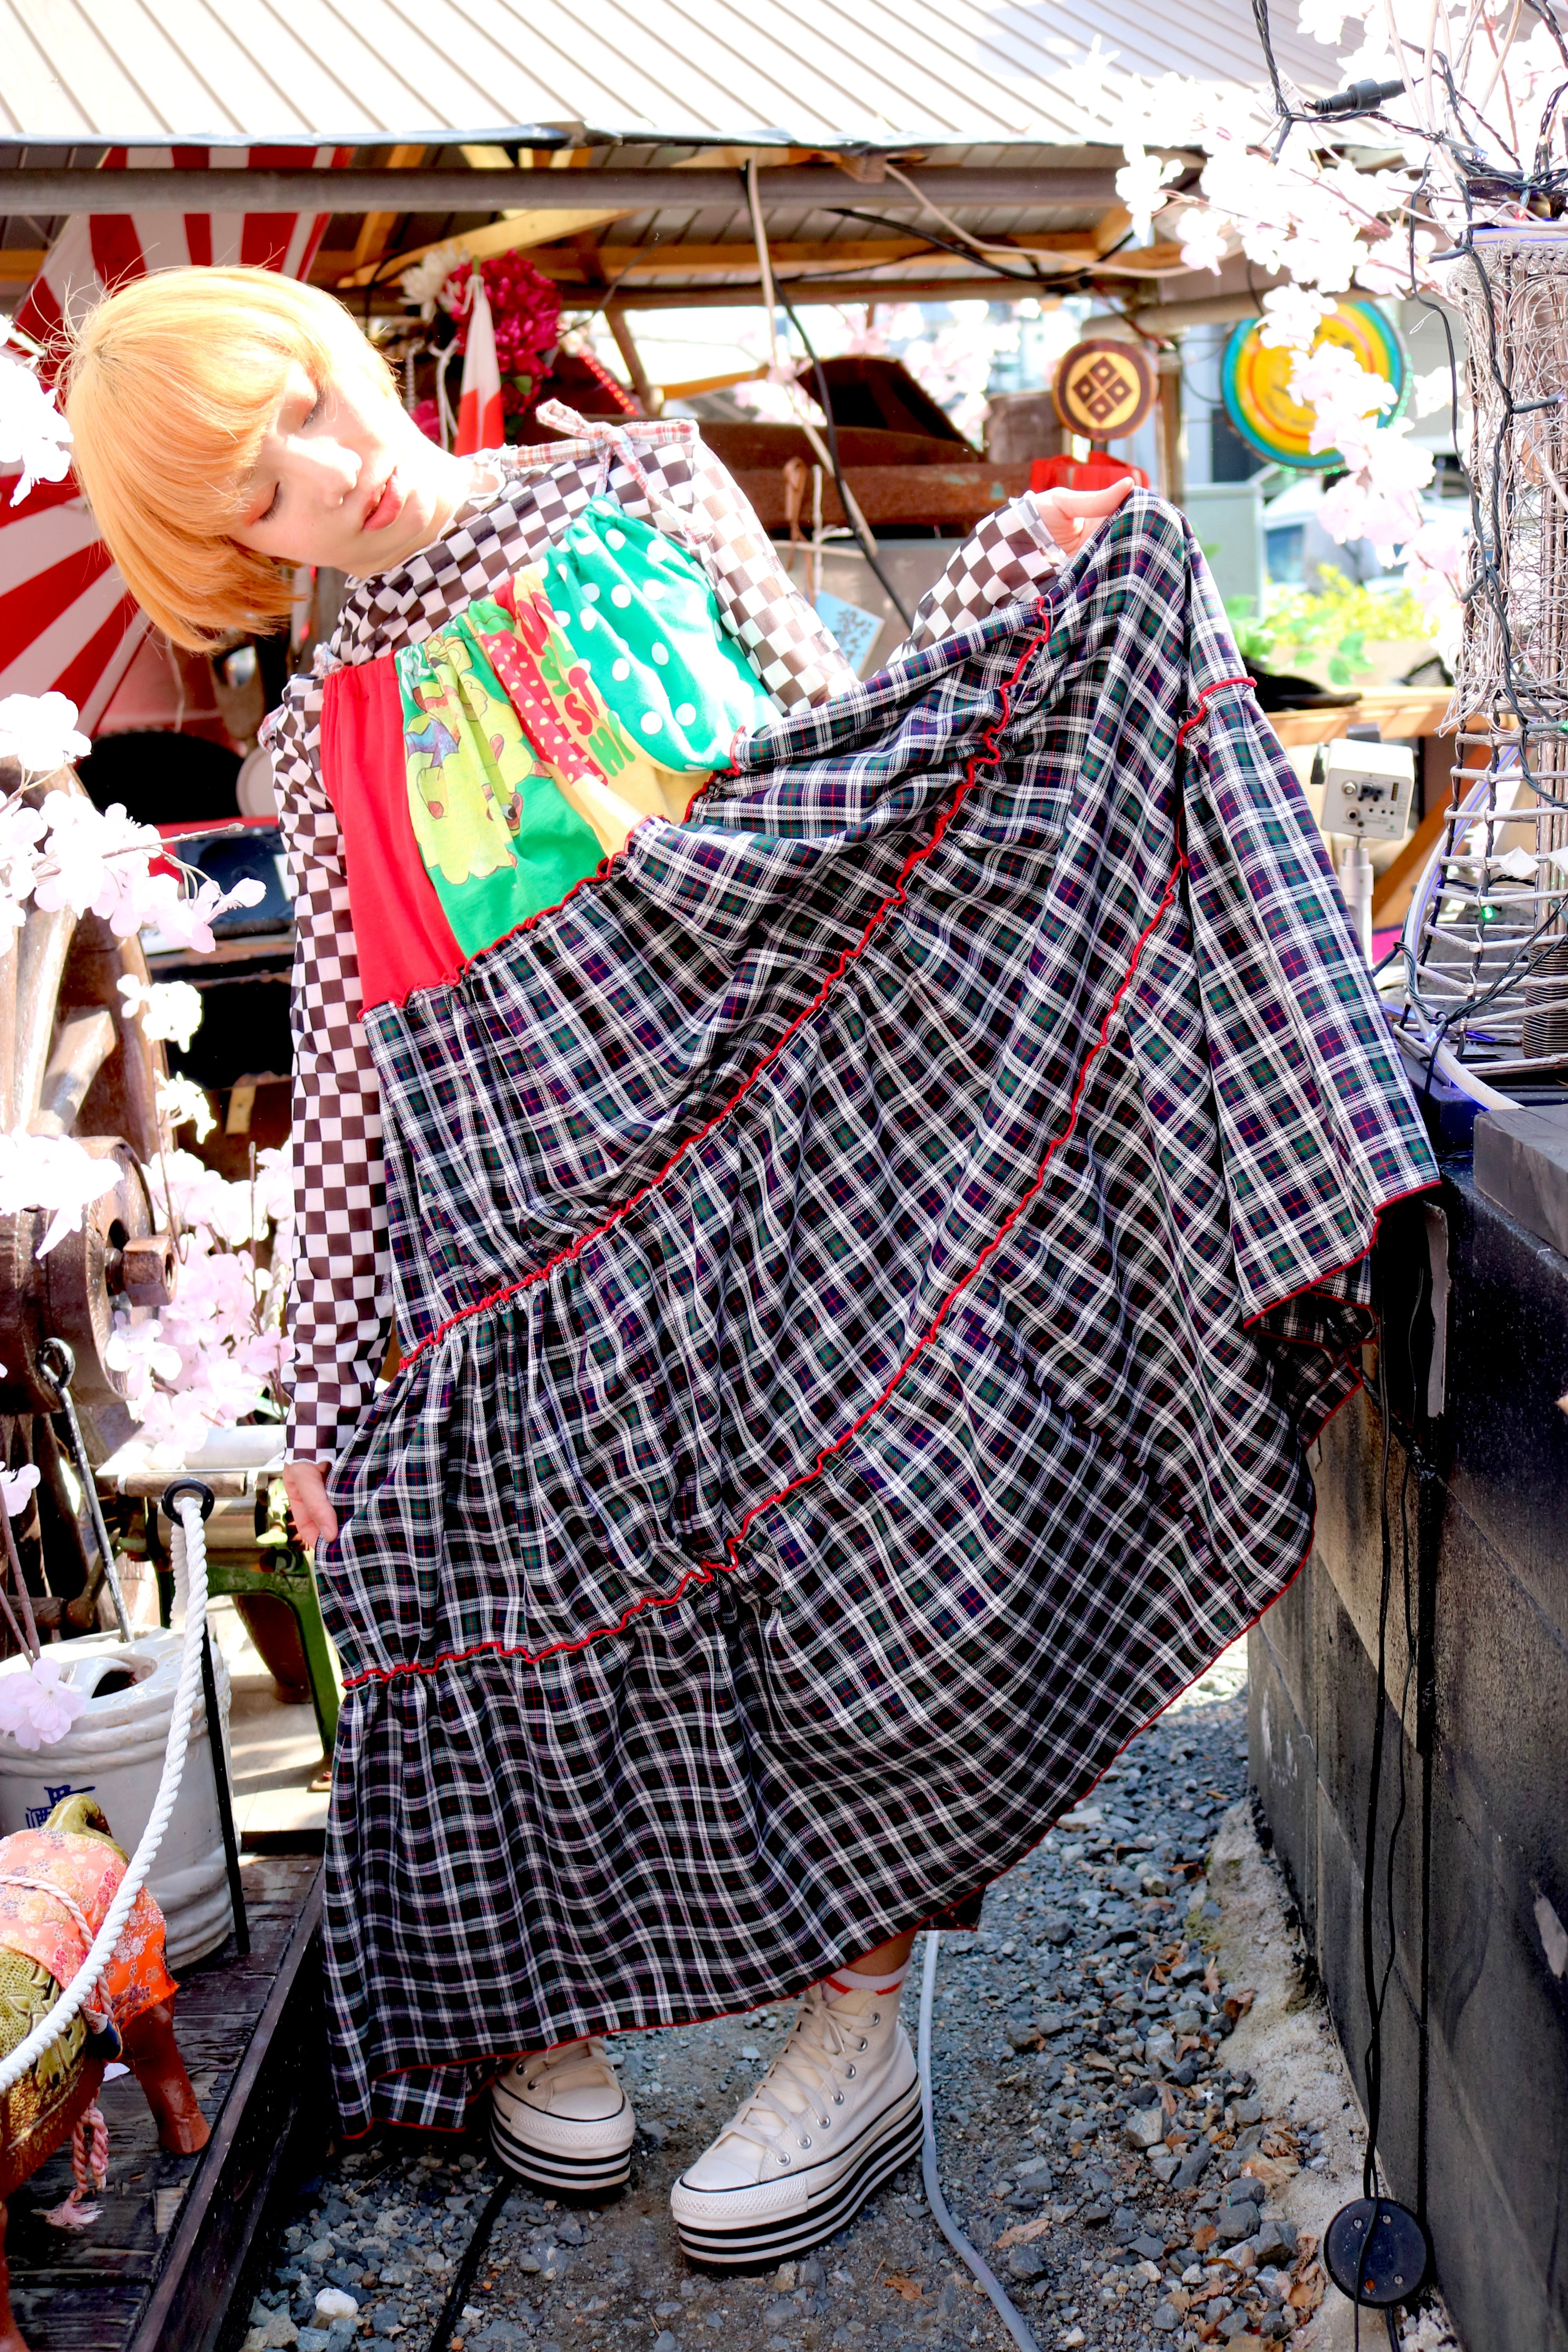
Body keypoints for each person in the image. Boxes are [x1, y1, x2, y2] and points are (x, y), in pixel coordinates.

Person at [63, 266, 1434, 2263]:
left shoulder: (638, 487)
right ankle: (540, 2006)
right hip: (541, 1215)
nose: (327, 475)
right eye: (259, 493)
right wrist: (330, 1390)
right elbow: (352, 1071)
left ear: (347, 357)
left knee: (874, 1583)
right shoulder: (321, 727)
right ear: (221, 551)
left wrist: (1027, 593)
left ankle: (859, 2023)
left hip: (786, 1142)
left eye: (310, 408)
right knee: (471, 1567)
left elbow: (835, 745)